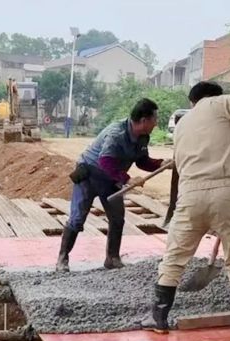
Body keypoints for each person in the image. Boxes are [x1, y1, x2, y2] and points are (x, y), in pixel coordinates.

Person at [140, 82, 230, 334]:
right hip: (226, 191)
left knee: (174, 256)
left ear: (193, 101)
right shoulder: (221, 104)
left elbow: (180, 164)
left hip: (190, 193)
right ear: (214, 96)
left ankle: (158, 318)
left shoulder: (183, 123)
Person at [56, 98, 171, 272]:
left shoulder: (142, 137)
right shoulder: (116, 134)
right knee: (77, 218)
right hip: (90, 174)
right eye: (154, 119)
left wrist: (160, 164)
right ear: (144, 121)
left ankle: (112, 258)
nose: (156, 123)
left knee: (117, 218)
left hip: (111, 179)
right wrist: (127, 179)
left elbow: (142, 161)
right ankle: (62, 259)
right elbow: (105, 161)